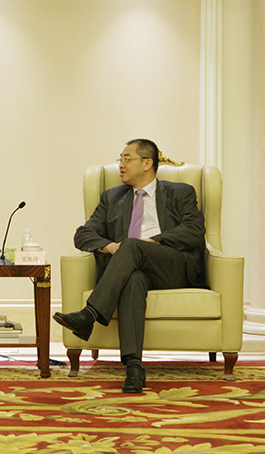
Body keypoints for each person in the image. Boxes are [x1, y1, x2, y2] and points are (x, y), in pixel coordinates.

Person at [53, 139, 206, 393]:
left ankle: (89, 315)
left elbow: (193, 231)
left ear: (147, 163)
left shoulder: (181, 192)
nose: (121, 165)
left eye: (127, 158)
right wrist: (112, 247)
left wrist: (152, 241)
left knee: (133, 245)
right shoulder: (112, 198)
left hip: (171, 265)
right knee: (133, 278)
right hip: (131, 267)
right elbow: (82, 234)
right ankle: (134, 368)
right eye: (120, 159)